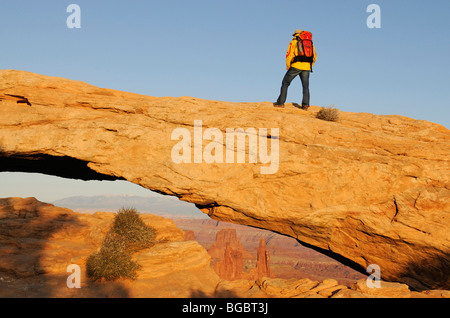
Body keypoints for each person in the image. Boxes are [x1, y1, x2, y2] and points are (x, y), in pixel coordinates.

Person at [274, 29, 317, 110]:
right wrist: (309, 65)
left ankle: (280, 103)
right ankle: (305, 105)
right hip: (307, 67)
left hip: (295, 66)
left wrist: (288, 65)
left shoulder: (293, 42)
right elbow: (314, 57)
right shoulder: (310, 43)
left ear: (296, 35)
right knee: (305, 86)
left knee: (285, 83)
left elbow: (289, 54)